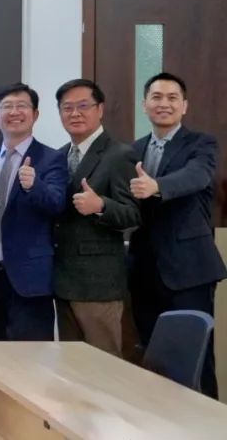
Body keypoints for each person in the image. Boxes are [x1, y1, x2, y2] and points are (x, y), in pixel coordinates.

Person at [129, 72, 225, 397]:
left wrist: (157, 186)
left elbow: (197, 176)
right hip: (144, 271)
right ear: (145, 104)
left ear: (184, 106)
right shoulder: (134, 150)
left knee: (197, 359)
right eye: (156, 97)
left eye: (172, 98)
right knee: (152, 361)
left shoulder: (201, 143)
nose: (164, 104)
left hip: (189, 271)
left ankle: (208, 421)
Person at [53, 78, 140, 357]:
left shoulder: (119, 154)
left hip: (98, 284)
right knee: (71, 367)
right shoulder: (58, 155)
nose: (75, 114)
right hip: (62, 280)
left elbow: (133, 214)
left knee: (104, 367)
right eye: (67, 108)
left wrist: (101, 205)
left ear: (100, 109)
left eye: (83, 106)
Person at [0, 83, 67, 341]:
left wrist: (34, 185)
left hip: (29, 278)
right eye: (7, 106)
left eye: (22, 106)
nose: (14, 112)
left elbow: (57, 203)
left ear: (35, 114)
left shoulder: (51, 158)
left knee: (31, 356)